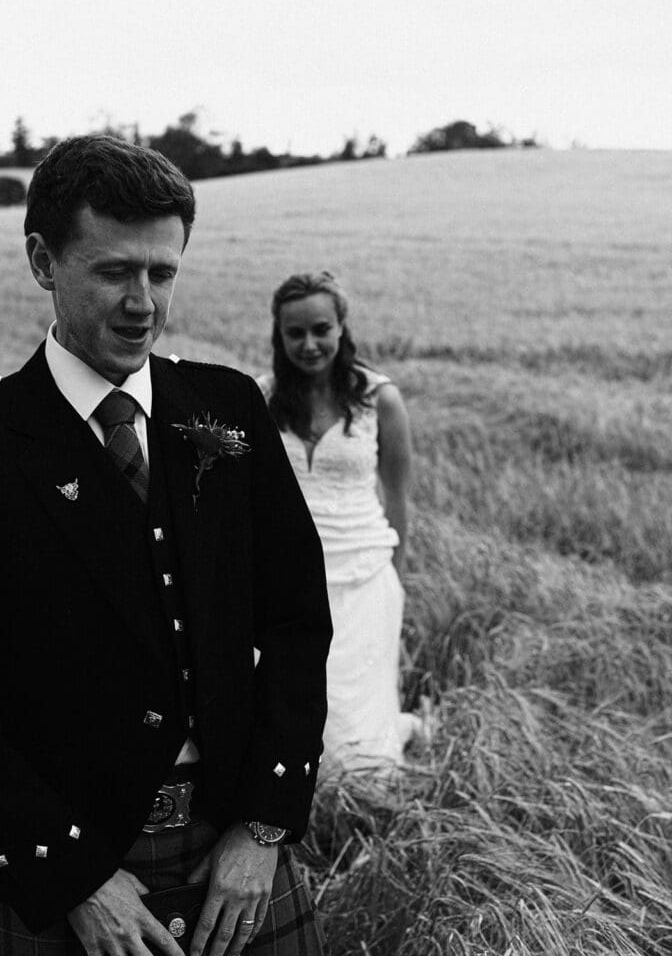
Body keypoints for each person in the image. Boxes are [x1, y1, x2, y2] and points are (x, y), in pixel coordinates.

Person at [0, 136, 332, 956]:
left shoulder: (227, 407)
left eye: (162, 272)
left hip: (235, 842)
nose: (142, 303)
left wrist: (263, 825)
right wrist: (72, 875)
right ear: (43, 261)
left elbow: (296, 621)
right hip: (63, 863)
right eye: (114, 271)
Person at [258, 272, 420, 776]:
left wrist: (395, 577)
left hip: (365, 573)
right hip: (289, 578)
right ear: (279, 335)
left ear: (342, 327)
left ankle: (370, 774)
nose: (309, 344)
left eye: (321, 329)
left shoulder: (380, 399)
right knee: (299, 701)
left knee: (359, 713)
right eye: (295, 333)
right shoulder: (262, 398)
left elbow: (398, 497)